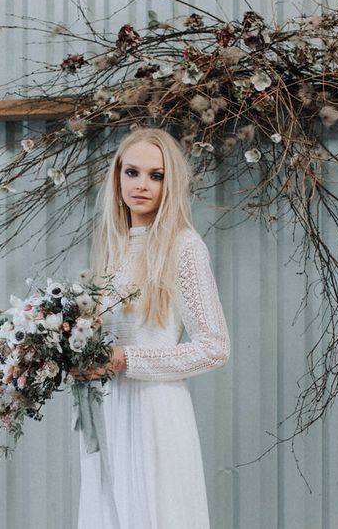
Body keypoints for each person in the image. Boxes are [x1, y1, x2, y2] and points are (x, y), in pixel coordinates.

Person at [73, 127, 230, 529]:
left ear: (169, 183)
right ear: (117, 177)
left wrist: (127, 359)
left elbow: (214, 347)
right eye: (132, 172)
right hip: (108, 408)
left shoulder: (183, 246)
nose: (141, 185)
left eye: (155, 176)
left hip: (155, 411)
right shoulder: (113, 246)